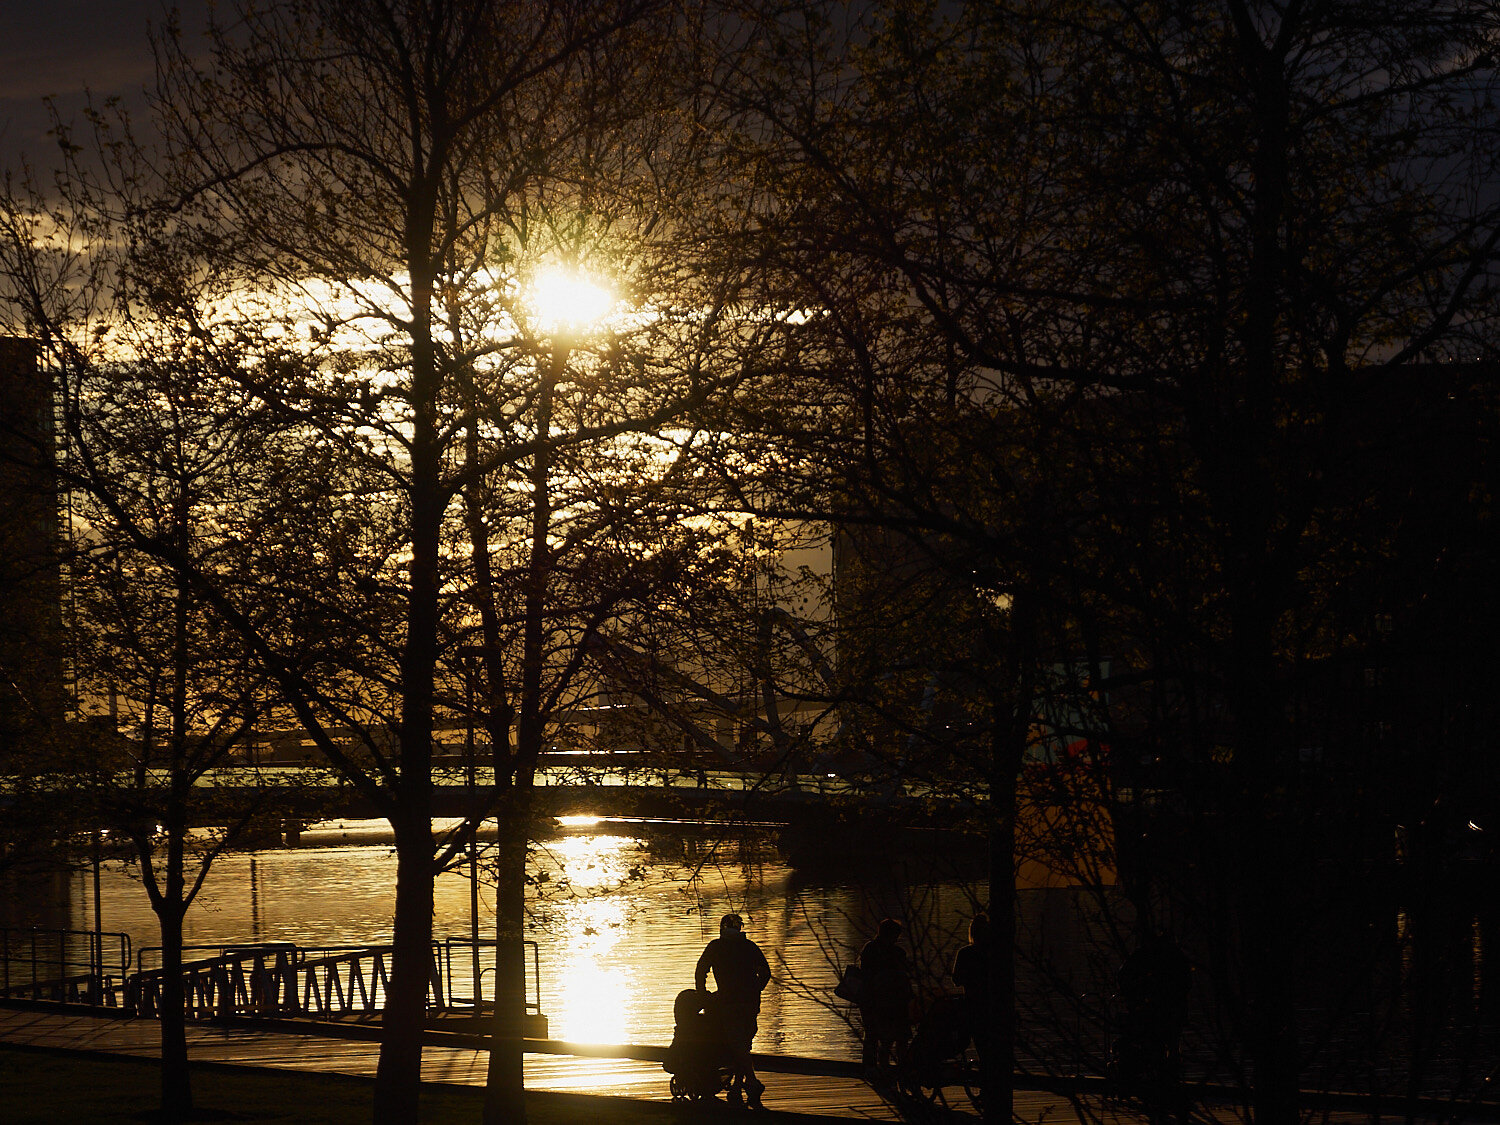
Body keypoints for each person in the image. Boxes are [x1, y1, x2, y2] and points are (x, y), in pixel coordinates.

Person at [695, 912, 771, 1109]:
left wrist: (702, 993)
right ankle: (738, 1086)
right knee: (743, 1044)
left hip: (729, 1002)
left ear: (722, 929)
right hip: (750, 1002)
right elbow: (766, 972)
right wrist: (756, 988)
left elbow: (700, 970)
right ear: (740, 929)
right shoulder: (750, 947)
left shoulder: (716, 947)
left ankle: (751, 1083)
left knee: (737, 1045)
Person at [858, 917, 912, 1079]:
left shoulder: (872, 949)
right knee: (879, 1033)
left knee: (877, 1034)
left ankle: (875, 1066)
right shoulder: (894, 952)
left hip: (883, 999)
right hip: (881, 999)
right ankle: (880, 1066)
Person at [951, 912, 991, 1066]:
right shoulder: (995, 953)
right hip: (994, 1003)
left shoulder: (965, 953)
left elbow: (956, 980)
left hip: (974, 1003)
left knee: (980, 1040)